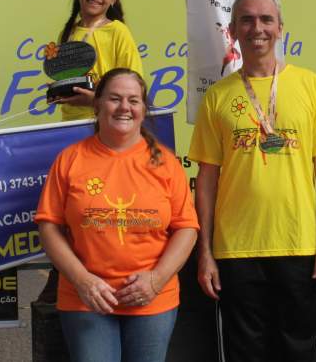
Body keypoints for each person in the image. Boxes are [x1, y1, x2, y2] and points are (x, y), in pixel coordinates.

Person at [189, 0, 316, 362]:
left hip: (299, 246)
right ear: (234, 31)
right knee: (245, 354)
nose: (257, 28)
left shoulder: (310, 87)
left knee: (300, 350)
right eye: (247, 20)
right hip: (236, 250)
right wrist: (205, 252)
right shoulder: (218, 97)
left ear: (280, 28)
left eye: (266, 19)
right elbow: (206, 182)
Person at [36, 69, 198, 362]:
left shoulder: (166, 163)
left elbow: (186, 228)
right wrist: (83, 281)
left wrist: (156, 280)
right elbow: (49, 226)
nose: (125, 107)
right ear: (97, 105)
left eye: (134, 100)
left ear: (144, 109)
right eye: (114, 98)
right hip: (86, 299)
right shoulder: (70, 159)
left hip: (152, 300)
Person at [51, 0, 143, 121]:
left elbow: (134, 88)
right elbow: (67, 79)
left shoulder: (118, 31)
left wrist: (95, 101)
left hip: (107, 125)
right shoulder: (67, 34)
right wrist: (58, 90)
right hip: (69, 125)